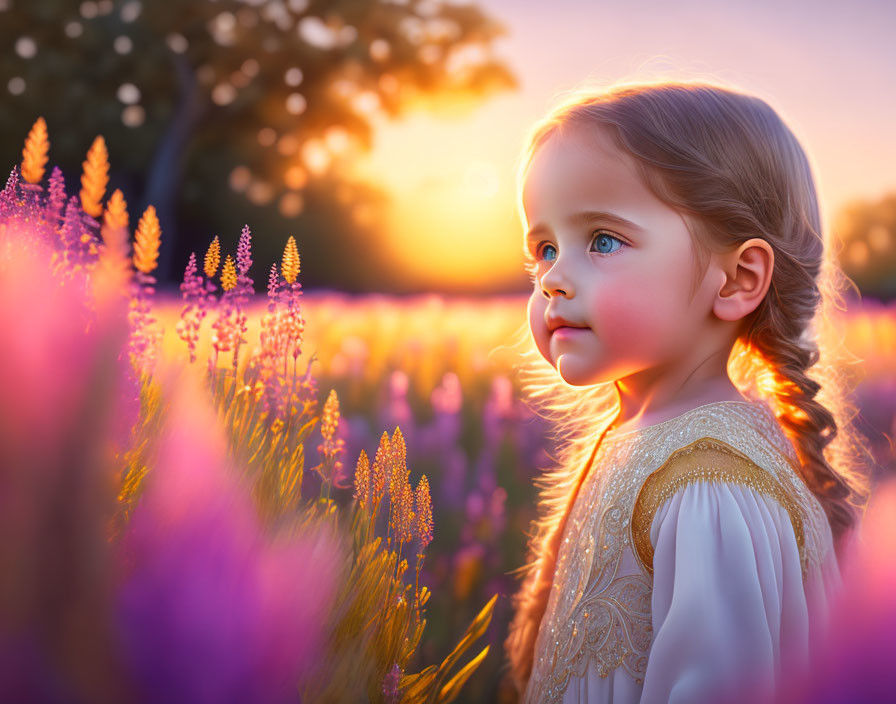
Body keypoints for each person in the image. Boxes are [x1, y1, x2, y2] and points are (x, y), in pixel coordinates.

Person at [501, 79, 874, 704]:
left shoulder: (711, 488)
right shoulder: (650, 441)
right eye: (543, 249)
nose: (553, 280)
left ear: (736, 279)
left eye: (603, 240)